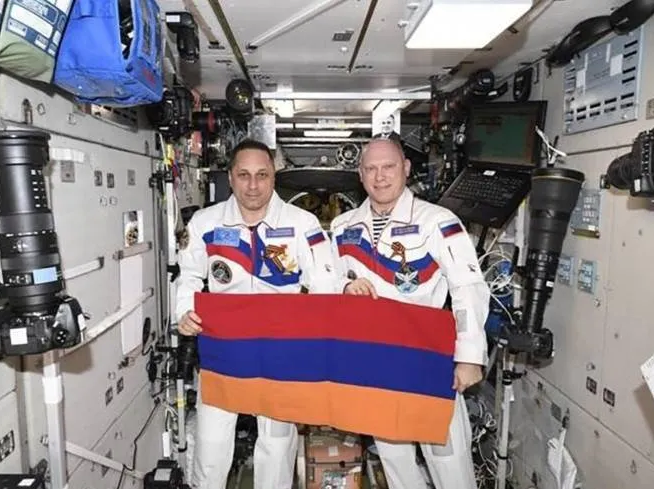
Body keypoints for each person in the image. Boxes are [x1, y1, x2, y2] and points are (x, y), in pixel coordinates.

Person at [175, 139, 337, 489]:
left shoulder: (302, 223)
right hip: (224, 349)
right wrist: (185, 310)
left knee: (276, 447)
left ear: (273, 176)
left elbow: (325, 285)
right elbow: (188, 276)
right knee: (211, 444)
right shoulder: (205, 222)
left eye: (262, 175)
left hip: (281, 351)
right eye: (244, 175)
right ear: (230, 177)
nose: (253, 185)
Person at [329, 134, 489, 489]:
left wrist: (469, 356)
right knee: (394, 460)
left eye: (388, 167)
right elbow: (325, 281)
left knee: (448, 462)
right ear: (360, 174)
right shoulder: (342, 228)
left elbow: (468, 288)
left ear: (405, 168)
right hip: (375, 363)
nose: (380, 176)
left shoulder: (438, 222)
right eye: (371, 168)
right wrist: (343, 287)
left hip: (427, 358)